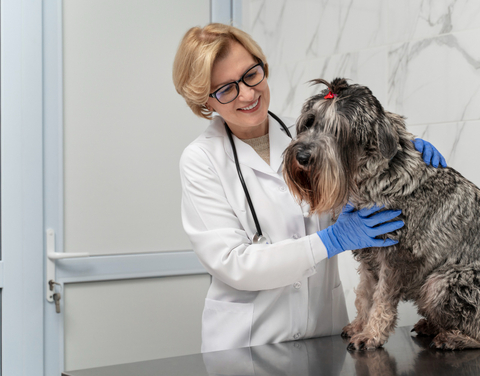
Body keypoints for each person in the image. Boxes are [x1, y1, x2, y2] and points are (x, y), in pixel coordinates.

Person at [173, 23, 447, 353]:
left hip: (323, 335)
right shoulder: (201, 159)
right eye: (226, 89)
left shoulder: (308, 130)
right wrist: (330, 240)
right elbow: (234, 263)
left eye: (251, 74)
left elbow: (363, 153)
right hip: (247, 346)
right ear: (206, 102)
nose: (247, 94)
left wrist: (404, 149)